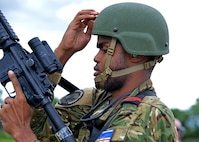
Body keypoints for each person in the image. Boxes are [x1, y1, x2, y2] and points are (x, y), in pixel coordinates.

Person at [0, 2, 178, 142]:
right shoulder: (98, 102)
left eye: (104, 48)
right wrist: (64, 50)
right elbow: (40, 128)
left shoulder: (146, 116)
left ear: (136, 53)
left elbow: (28, 131)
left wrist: (23, 136)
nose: (96, 57)